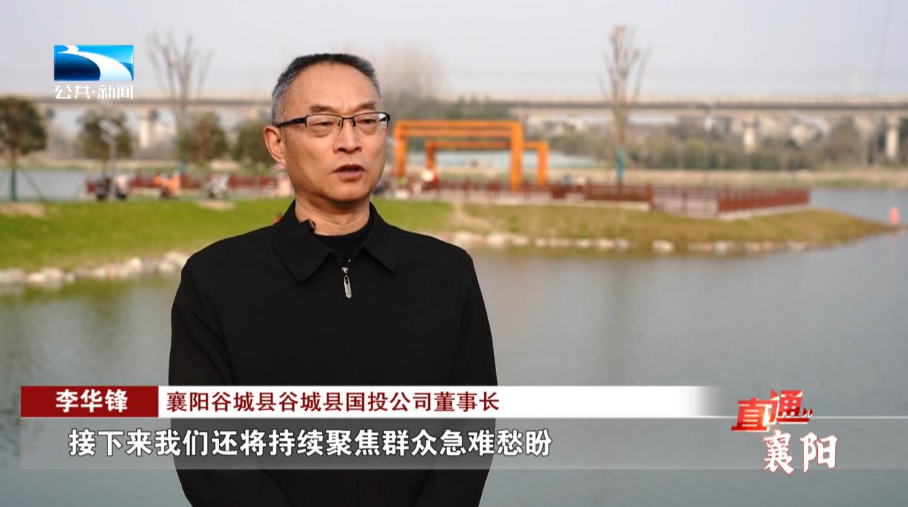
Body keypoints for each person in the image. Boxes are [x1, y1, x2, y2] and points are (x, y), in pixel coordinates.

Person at [169, 53, 498, 507]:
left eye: (366, 121)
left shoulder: (447, 272)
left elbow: (471, 432)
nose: (350, 141)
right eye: (322, 124)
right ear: (277, 144)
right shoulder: (215, 280)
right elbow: (207, 453)